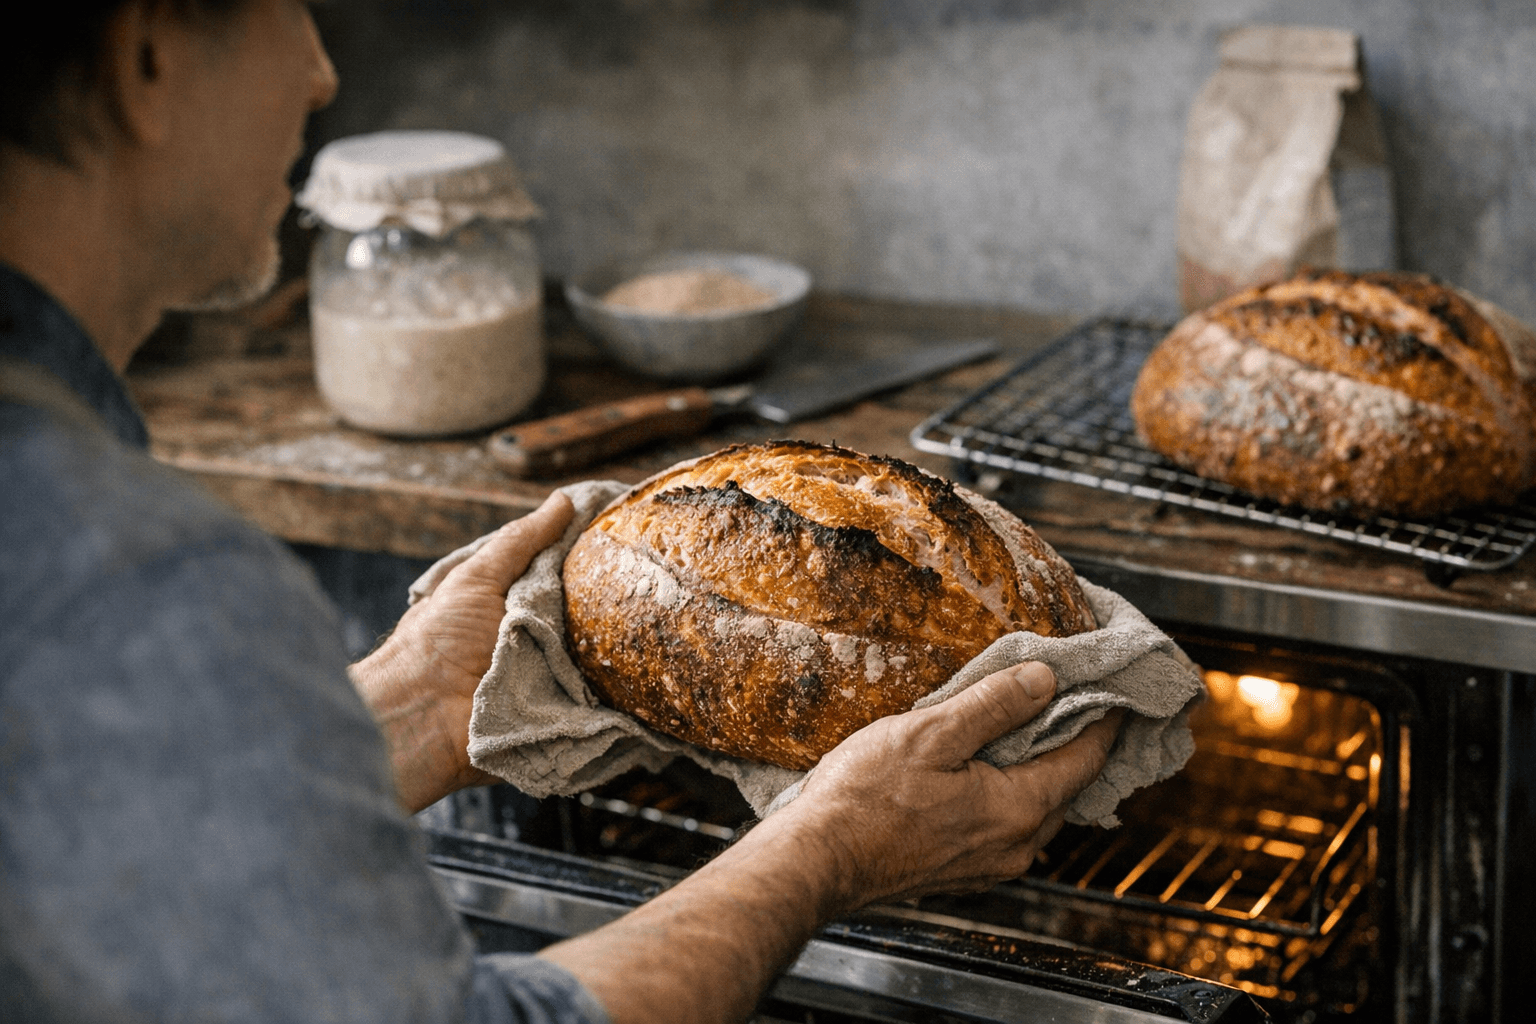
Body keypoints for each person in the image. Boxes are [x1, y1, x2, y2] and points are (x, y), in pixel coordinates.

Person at [0, 3, 1122, 1022]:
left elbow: (94, 844)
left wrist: (424, 707)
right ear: (144, 54)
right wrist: (827, 846)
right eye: (289, 11)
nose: (323, 72)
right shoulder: (129, 571)